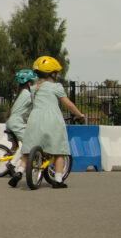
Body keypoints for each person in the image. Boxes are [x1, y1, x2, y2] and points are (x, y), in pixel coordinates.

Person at [8, 56, 85, 189]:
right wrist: (80, 114)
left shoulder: (33, 88)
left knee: (28, 150)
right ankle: (58, 180)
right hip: (52, 120)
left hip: (34, 120)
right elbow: (68, 104)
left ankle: (19, 172)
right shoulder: (56, 87)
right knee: (59, 151)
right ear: (52, 74)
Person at [5, 69, 38, 175]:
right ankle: (13, 163)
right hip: (16, 122)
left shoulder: (21, 94)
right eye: (32, 83)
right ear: (29, 83)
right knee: (28, 142)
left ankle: (14, 160)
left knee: (20, 144)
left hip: (12, 122)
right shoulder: (27, 95)